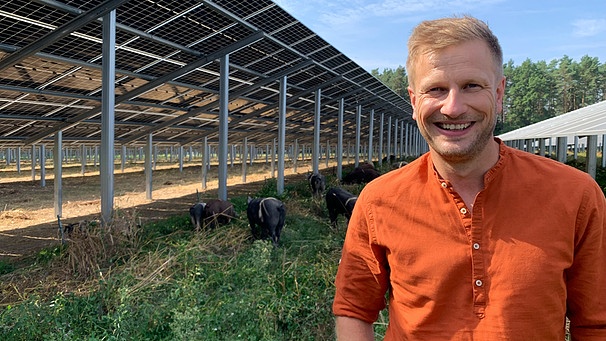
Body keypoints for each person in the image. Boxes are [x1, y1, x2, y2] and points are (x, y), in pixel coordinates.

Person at [332, 15, 606, 340]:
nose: (453, 107)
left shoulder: (576, 195)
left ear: (500, 93)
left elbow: (594, 322)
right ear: (414, 100)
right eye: (436, 89)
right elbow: (353, 308)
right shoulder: (378, 200)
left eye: (471, 86)